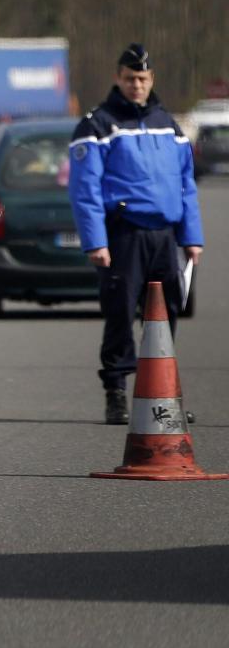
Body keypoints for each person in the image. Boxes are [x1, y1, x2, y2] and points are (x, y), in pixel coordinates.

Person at [68, 43, 203, 425]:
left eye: (142, 79)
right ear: (118, 78)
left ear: (151, 79)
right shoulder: (98, 124)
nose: (136, 85)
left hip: (164, 235)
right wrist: (96, 242)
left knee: (165, 317)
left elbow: (185, 184)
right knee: (121, 313)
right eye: (129, 79)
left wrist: (192, 236)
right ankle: (116, 393)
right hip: (123, 235)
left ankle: (164, 397)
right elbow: (85, 189)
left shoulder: (168, 124)